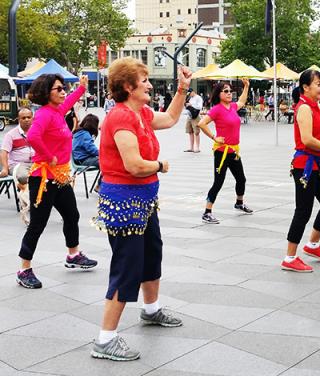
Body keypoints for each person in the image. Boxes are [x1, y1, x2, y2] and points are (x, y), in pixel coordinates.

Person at [90, 57, 192, 361]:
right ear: (127, 86)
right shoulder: (120, 118)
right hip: (125, 203)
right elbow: (134, 165)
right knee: (127, 265)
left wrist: (183, 89)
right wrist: (160, 165)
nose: (149, 84)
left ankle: (151, 310)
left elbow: (172, 119)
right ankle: (105, 339)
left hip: (144, 202)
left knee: (151, 253)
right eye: (144, 80)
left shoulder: (142, 113)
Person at [16, 73, 98, 289]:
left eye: (63, 88)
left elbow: (69, 101)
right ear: (47, 93)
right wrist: (48, 155)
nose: (63, 92)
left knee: (72, 215)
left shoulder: (56, 111)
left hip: (60, 178)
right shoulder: (44, 114)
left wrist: (80, 89)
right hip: (43, 179)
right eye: (59, 89)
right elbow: (33, 136)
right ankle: (24, 269)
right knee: (37, 225)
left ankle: (73, 255)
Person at [282, 69, 320, 273]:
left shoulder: (314, 107)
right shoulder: (304, 108)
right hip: (305, 166)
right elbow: (306, 140)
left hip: (318, 166)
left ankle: (312, 245)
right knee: (303, 210)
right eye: (318, 84)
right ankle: (290, 257)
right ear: (305, 87)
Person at [198, 79, 253, 224]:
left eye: (230, 91)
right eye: (226, 91)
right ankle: (207, 212)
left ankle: (239, 203)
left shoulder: (233, 107)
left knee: (241, 179)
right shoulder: (216, 109)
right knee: (218, 182)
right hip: (222, 152)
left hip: (234, 152)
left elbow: (242, 100)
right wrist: (214, 137)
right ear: (219, 94)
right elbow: (201, 123)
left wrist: (246, 87)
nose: (230, 93)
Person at [0, 107, 34, 186]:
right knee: (23, 177)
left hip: (35, 163)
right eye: (23, 118)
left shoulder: (37, 132)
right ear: (18, 119)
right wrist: (5, 169)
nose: (26, 120)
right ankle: (28, 196)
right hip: (17, 165)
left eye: (29, 117)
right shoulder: (11, 135)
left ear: (32, 118)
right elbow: (3, 152)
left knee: (53, 175)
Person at [72, 114, 102, 190]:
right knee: (107, 163)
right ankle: (100, 186)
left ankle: (100, 185)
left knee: (105, 161)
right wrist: (104, 153)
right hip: (83, 159)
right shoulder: (85, 134)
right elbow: (91, 149)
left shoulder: (79, 132)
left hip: (80, 159)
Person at [184, 88, 203, 153]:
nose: (189, 95)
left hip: (196, 116)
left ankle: (197, 148)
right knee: (190, 132)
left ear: (193, 92)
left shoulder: (198, 98)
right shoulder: (190, 98)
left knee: (196, 132)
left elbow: (199, 107)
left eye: (190, 93)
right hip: (189, 116)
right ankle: (191, 147)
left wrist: (191, 105)